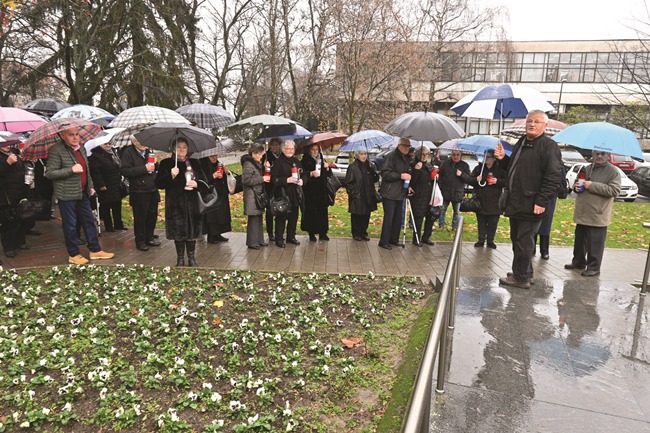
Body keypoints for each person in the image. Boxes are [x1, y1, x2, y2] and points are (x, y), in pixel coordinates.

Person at [494, 110, 562, 289]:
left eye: (537, 122)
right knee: (518, 239)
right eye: (529, 121)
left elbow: (553, 176)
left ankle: (521, 278)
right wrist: (502, 160)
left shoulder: (549, 146)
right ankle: (524, 271)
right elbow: (513, 169)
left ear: (544, 126)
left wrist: (541, 201)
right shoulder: (522, 142)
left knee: (524, 241)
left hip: (532, 203)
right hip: (516, 202)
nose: (532, 124)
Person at [45, 126, 114, 264]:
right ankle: (73, 254)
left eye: (77, 134)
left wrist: (90, 187)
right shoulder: (56, 150)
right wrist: (71, 170)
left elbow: (86, 170)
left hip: (82, 192)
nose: (76, 137)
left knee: (89, 220)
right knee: (70, 224)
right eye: (71, 135)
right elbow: (50, 173)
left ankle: (95, 250)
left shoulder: (80, 148)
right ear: (63, 135)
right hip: (66, 194)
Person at [564, 150, 621, 277]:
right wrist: (577, 188)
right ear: (592, 155)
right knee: (579, 241)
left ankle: (594, 267)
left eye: (603, 154)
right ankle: (578, 261)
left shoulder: (613, 172)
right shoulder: (587, 168)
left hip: (598, 213)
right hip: (583, 211)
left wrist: (591, 185)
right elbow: (578, 184)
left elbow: (614, 191)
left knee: (595, 244)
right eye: (596, 154)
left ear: (608, 156)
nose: (599, 156)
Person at [155, 138, 206, 266]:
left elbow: (205, 183)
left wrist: (197, 184)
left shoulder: (194, 163)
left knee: (191, 231)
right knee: (178, 231)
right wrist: (170, 175)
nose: (182, 150)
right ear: (173, 149)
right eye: (178, 147)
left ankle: (192, 258)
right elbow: (158, 183)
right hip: (175, 203)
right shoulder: (166, 163)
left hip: (192, 203)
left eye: (184, 147)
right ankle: (180, 258)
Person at [120, 135, 160, 252]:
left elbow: (154, 168)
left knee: (152, 215)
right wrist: (144, 168)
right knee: (140, 217)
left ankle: (150, 237)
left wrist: (156, 164)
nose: (143, 143)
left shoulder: (149, 151)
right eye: (139, 141)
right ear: (133, 142)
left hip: (152, 188)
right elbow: (125, 171)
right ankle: (140, 241)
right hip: (138, 190)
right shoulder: (128, 153)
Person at [461, 151, 506, 249]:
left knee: (493, 222)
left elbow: (507, 182)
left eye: (489, 157)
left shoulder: (500, 170)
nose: (486, 159)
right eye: (485, 156)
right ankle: (481, 239)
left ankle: (490, 240)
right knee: (481, 221)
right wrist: (476, 180)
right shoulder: (479, 169)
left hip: (495, 201)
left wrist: (497, 181)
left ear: (494, 158)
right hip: (481, 200)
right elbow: (470, 180)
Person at [378, 138, 412, 250]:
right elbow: (385, 173)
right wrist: (400, 176)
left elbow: (407, 171)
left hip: (400, 192)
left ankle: (394, 239)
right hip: (389, 192)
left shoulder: (407, 158)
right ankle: (384, 241)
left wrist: (408, 182)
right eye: (405, 145)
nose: (408, 148)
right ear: (399, 145)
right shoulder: (391, 156)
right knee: (389, 217)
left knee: (398, 217)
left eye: (409, 146)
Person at [270, 140, 304, 248]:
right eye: (287, 149)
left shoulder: (296, 161)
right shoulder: (278, 162)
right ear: (283, 150)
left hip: (295, 193)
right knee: (282, 216)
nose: (290, 151)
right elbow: (273, 180)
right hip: (283, 194)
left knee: (294, 216)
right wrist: (286, 180)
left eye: (292, 149)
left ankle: (291, 236)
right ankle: (279, 238)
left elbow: (304, 174)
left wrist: (302, 180)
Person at [88, 141, 126, 233]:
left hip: (116, 182)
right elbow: (95, 172)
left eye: (110, 143)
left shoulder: (114, 152)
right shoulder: (95, 155)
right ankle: (109, 226)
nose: (109, 145)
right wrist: (101, 184)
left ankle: (118, 224)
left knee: (117, 204)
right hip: (105, 183)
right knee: (106, 205)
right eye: (106, 144)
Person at [0, 143, 30, 258]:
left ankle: (20, 241)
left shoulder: (14, 153)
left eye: (8, 144)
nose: (7, 146)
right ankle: (9, 247)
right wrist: (7, 163)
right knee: (8, 221)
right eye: (4, 144)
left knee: (20, 217)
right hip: (5, 194)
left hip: (19, 191)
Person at [344, 149, 380, 241]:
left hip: (368, 194)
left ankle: (364, 232)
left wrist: (373, 171)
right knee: (357, 215)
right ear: (357, 155)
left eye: (365, 154)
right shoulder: (353, 167)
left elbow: (375, 179)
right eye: (361, 154)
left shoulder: (370, 165)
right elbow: (348, 182)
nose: (364, 156)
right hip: (358, 195)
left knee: (366, 215)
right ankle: (356, 233)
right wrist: (354, 194)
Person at [301, 143, 332, 241]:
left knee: (322, 212)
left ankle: (323, 232)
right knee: (311, 212)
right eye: (313, 149)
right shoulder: (305, 160)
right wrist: (310, 174)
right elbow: (302, 173)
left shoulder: (322, 159)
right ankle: (311, 233)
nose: (315, 152)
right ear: (309, 150)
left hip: (322, 191)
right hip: (310, 191)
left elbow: (328, 174)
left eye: (316, 149)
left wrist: (327, 167)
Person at [198, 153, 231, 243]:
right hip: (210, 194)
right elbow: (201, 180)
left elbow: (224, 178)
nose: (214, 158)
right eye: (212, 156)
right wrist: (213, 176)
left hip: (220, 192)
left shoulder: (218, 164)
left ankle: (218, 233)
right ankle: (211, 235)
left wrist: (226, 172)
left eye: (216, 155)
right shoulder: (202, 164)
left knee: (220, 214)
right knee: (211, 215)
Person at [241, 143, 268, 249]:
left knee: (258, 217)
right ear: (254, 154)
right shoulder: (248, 164)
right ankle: (252, 242)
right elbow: (246, 180)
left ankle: (259, 240)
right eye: (260, 154)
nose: (261, 156)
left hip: (257, 194)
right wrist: (262, 179)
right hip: (252, 195)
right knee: (253, 219)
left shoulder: (255, 163)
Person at [408, 146, 436, 246]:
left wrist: (435, 175)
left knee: (430, 216)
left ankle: (426, 237)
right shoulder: (412, 164)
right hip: (418, 195)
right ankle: (416, 238)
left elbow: (431, 179)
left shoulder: (428, 165)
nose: (424, 156)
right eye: (422, 154)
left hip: (429, 194)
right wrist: (416, 170)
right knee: (418, 217)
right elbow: (411, 181)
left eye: (426, 154)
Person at [438, 149, 470, 230]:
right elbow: (440, 176)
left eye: (457, 155)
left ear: (460, 155)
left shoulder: (464, 165)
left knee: (457, 211)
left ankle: (455, 226)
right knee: (442, 209)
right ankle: (441, 225)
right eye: (454, 154)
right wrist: (440, 188)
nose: (455, 156)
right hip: (445, 191)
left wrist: (462, 175)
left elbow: (469, 178)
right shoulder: (445, 164)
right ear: (451, 155)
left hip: (457, 192)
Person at [262, 137, 282, 241]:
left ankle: (278, 232)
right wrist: (265, 167)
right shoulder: (265, 156)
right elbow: (262, 171)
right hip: (269, 187)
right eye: (273, 145)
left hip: (279, 186)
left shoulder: (282, 156)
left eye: (277, 145)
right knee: (270, 210)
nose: (274, 147)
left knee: (280, 209)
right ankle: (270, 233)